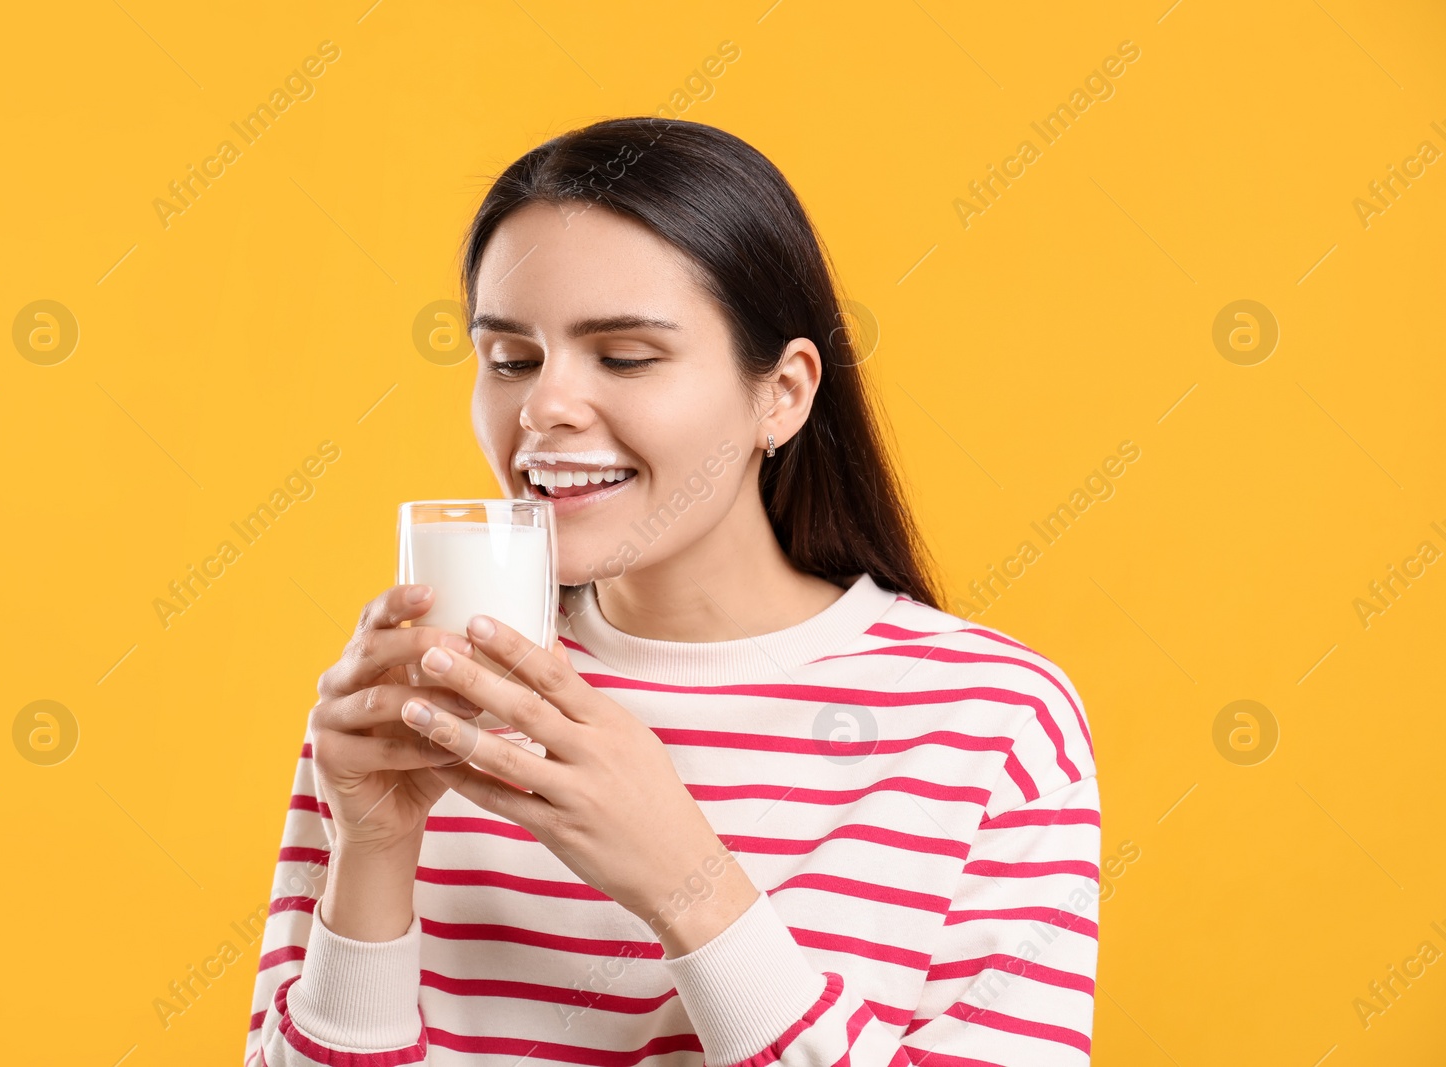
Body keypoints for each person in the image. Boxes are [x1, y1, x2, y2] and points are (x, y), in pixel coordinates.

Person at [245, 116, 1099, 1066]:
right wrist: (370, 854)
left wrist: (686, 881)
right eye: (510, 359)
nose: (544, 407)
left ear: (782, 392)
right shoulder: (420, 697)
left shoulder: (991, 722)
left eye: (625, 357)